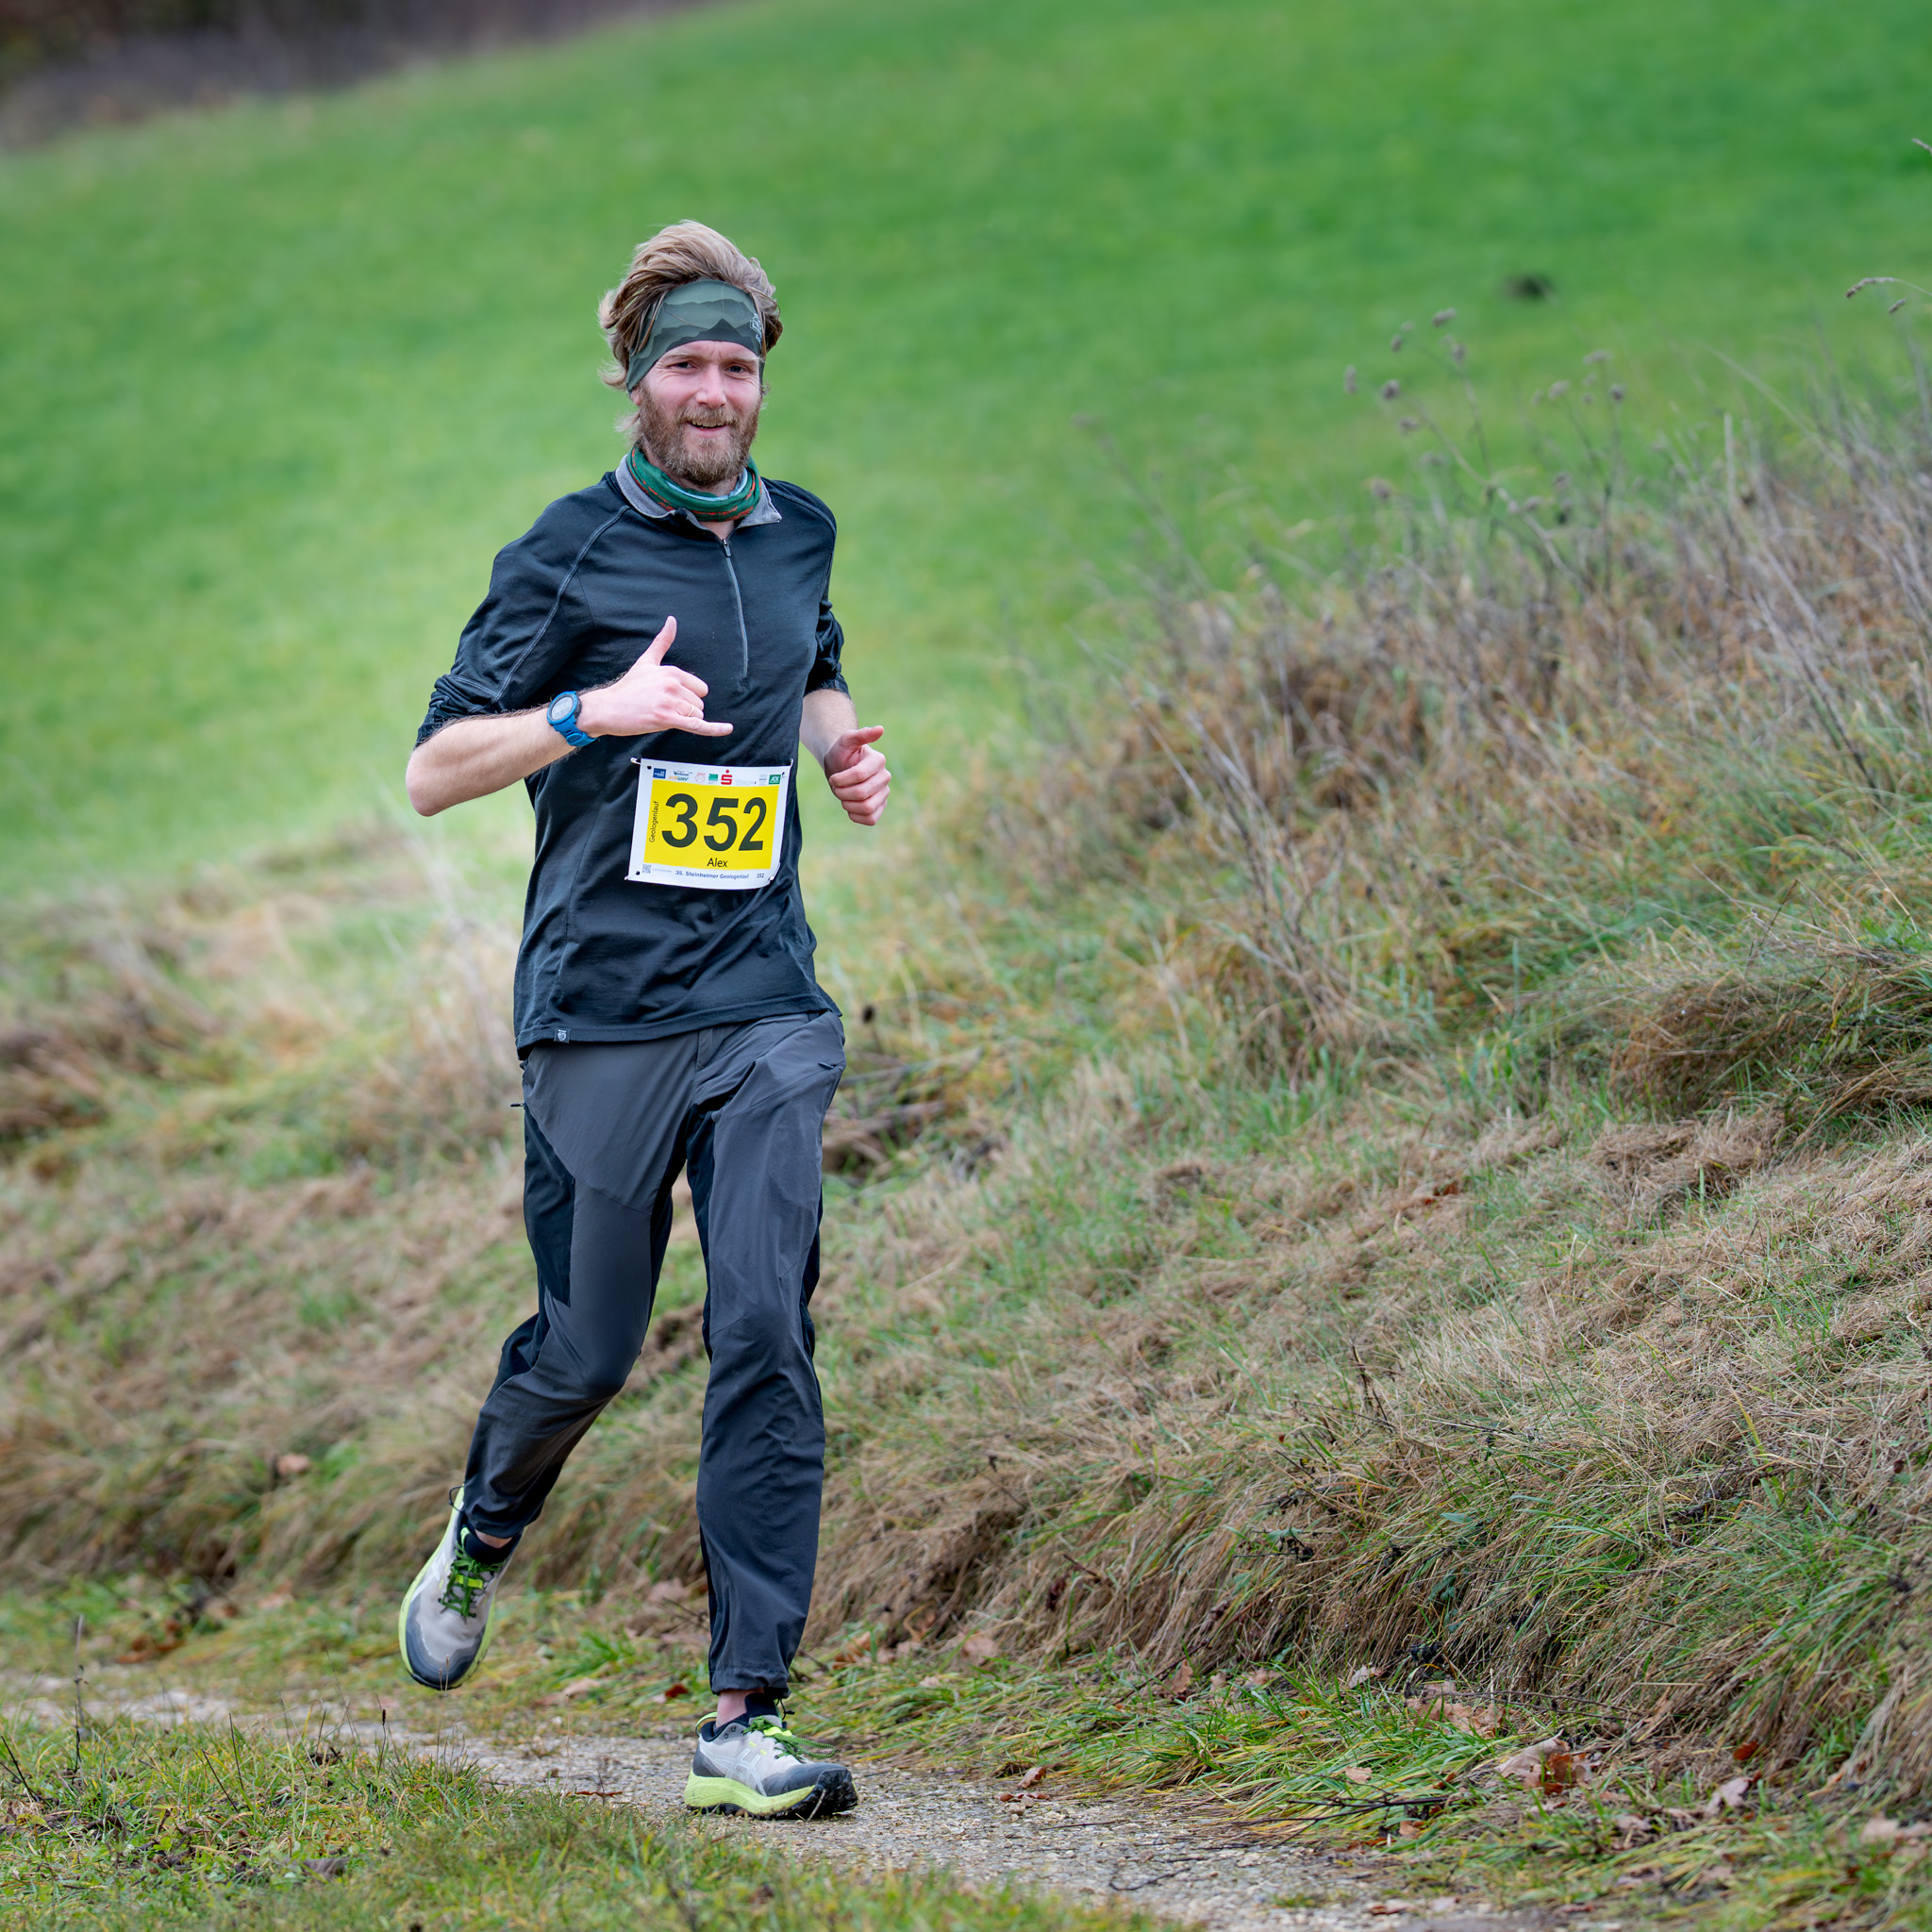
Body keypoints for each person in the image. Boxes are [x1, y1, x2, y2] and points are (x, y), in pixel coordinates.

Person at [394, 221, 888, 1820]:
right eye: (687, 365)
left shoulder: (801, 531)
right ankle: (484, 1529)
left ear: (762, 382)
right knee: (590, 1347)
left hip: (761, 1000)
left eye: (737, 365)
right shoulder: (570, 552)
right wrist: (587, 712)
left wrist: (840, 745)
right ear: (637, 382)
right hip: (600, 1015)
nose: (714, 392)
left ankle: (745, 1718)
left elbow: (812, 657)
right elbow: (433, 769)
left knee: (766, 1329)